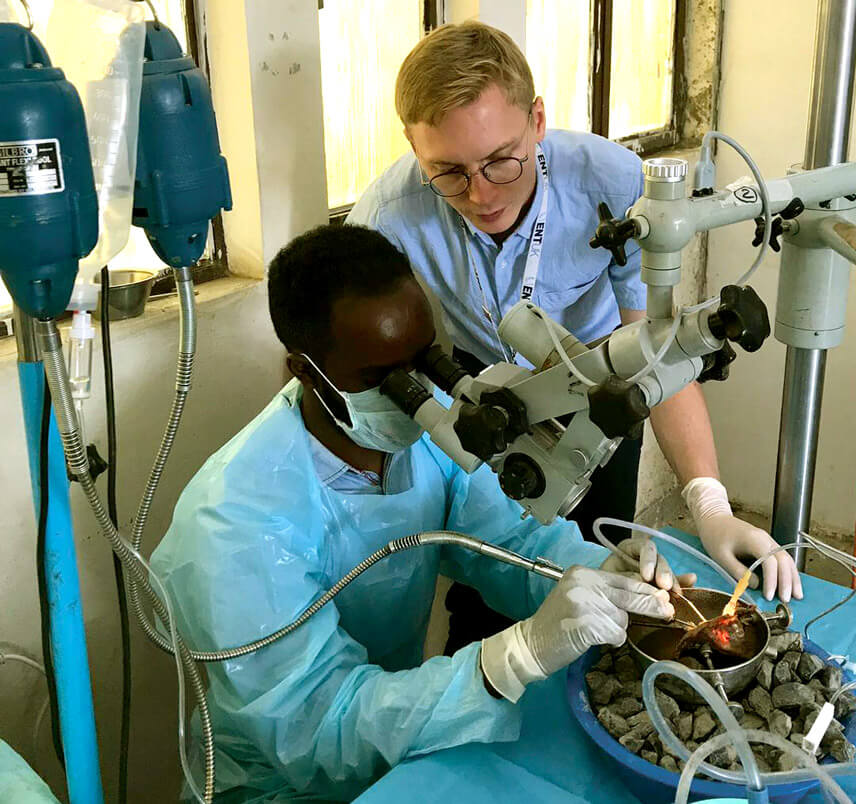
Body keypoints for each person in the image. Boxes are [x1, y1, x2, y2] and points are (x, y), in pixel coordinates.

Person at [151, 224, 694, 803]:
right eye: (382, 378)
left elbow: (514, 543)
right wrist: (514, 658)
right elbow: (316, 728)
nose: (417, 391)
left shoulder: (427, 435)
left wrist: (602, 576)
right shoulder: (234, 525)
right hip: (280, 782)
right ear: (305, 372)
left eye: (426, 360)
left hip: (400, 738)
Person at [347, 21, 803, 627]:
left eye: (500, 161)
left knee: (607, 576)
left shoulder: (614, 184)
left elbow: (658, 357)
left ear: (537, 120)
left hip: (605, 392)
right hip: (486, 389)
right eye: (449, 172)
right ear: (412, 144)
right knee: (489, 584)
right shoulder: (387, 216)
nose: (480, 194)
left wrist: (710, 506)